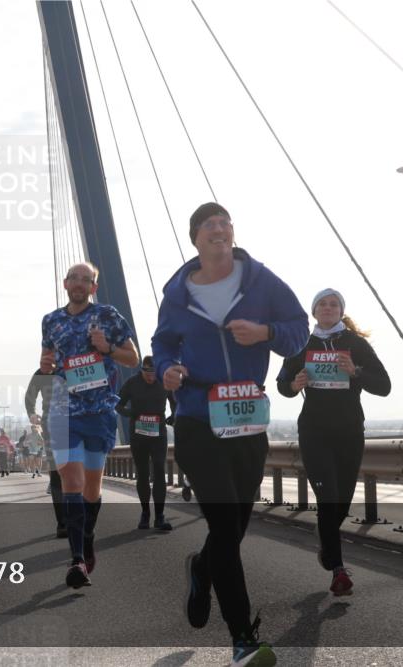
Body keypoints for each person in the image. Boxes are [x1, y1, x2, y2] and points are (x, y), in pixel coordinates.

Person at [153, 203, 307, 667]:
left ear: (232, 233)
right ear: (195, 238)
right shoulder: (178, 294)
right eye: (209, 225)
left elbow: (297, 332)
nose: (219, 229)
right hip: (198, 417)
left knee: (235, 526)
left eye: (225, 223)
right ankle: (242, 637)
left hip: (247, 418)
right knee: (224, 523)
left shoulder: (261, 281)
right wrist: (167, 370)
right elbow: (162, 342)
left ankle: (202, 567)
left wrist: (264, 331)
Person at [277, 288, 390, 596]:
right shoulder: (301, 344)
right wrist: (293, 384)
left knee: (340, 501)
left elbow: (385, 386)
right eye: (322, 304)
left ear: (341, 311)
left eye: (334, 304)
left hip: (349, 432)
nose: (328, 308)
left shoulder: (355, 344)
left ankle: (327, 545)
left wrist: (356, 372)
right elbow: (282, 384)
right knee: (328, 497)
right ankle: (339, 571)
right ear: (314, 311)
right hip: (314, 431)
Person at [42, 262, 139, 588]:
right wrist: (45, 365)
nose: (80, 284)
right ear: (65, 283)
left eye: (87, 280)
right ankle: (77, 560)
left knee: (91, 488)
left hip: (99, 412)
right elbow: (47, 360)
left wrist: (107, 348)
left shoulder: (109, 317)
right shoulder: (51, 321)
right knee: (72, 480)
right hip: (63, 411)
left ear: (93, 287)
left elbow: (133, 358)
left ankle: (87, 536)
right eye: (75, 278)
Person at [115, 355, 176, 531]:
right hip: (138, 435)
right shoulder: (132, 383)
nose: (151, 377)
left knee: (158, 470)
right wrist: (130, 414)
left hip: (158, 435)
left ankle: (159, 516)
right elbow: (117, 404)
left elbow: (175, 404)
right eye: (147, 373)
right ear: (142, 370)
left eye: (153, 373)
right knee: (142, 473)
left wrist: (173, 416)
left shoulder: (164, 381)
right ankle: (145, 514)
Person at [25, 367, 66, 538]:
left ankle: (80, 518)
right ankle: (62, 523)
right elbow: (29, 397)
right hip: (52, 422)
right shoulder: (42, 372)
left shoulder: (77, 360)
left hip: (79, 420)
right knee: (57, 471)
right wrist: (32, 414)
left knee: (78, 473)